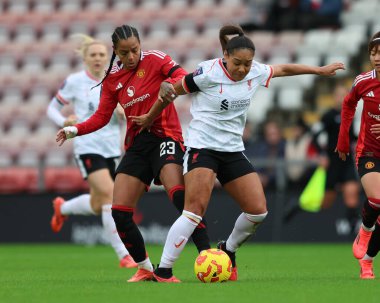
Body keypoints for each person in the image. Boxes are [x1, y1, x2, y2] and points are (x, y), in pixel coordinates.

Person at [132, 24, 344, 282]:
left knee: (258, 211)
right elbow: (171, 92)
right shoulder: (206, 73)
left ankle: (227, 250)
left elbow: (283, 68)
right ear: (225, 58)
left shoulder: (255, 72)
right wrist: (150, 115)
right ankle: (163, 270)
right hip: (203, 149)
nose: (243, 69)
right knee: (194, 210)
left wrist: (318, 70)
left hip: (232, 151)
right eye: (237, 63)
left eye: (247, 63)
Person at [55, 25, 211, 282]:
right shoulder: (112, 79)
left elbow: (183, 76)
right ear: (115, 51)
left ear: (141, 45)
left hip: (166, 137)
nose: (131, 57)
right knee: (119, 212)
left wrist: (169, 84)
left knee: (179, 196)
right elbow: (102, 117)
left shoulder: (156, 59)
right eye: (124, 52)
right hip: (138, 145)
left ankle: (207, 253)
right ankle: (145, 268)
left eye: (135, 50)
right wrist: (75, 129)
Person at [47, 34, 137, 269]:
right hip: (87, 147)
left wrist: (123, 111)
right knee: (110, 195)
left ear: (109, 57)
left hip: (111, 148)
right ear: (85, 59)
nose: (98, 59)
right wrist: (64, 120)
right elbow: (51, 108)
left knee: (99, 204)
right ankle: (123, 255)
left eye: (102, 55)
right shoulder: (75, 81)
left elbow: (131, 109)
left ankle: (63, 208)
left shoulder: (118, 79)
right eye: (93, 55)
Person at [336, 31, 380, 279]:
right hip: (369, 152)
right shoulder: (364, 81)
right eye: (373, 53)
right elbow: (348, 103)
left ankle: (368, 262)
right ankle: (365, 229)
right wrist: (343, 140)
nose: (377, 58)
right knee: (378, 199)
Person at [311, 84, 360, 232]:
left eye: (344, 95)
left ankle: (353, 228)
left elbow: (356, 138)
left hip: (346, 161)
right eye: (339, 95)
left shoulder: (353, 115)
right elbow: (314, 137)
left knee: (352, 192)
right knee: (326, 201)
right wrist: (321, 154)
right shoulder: (328, 116)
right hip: (331, 162)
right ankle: (306, 216)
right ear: (334, 97)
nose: (341, 98)